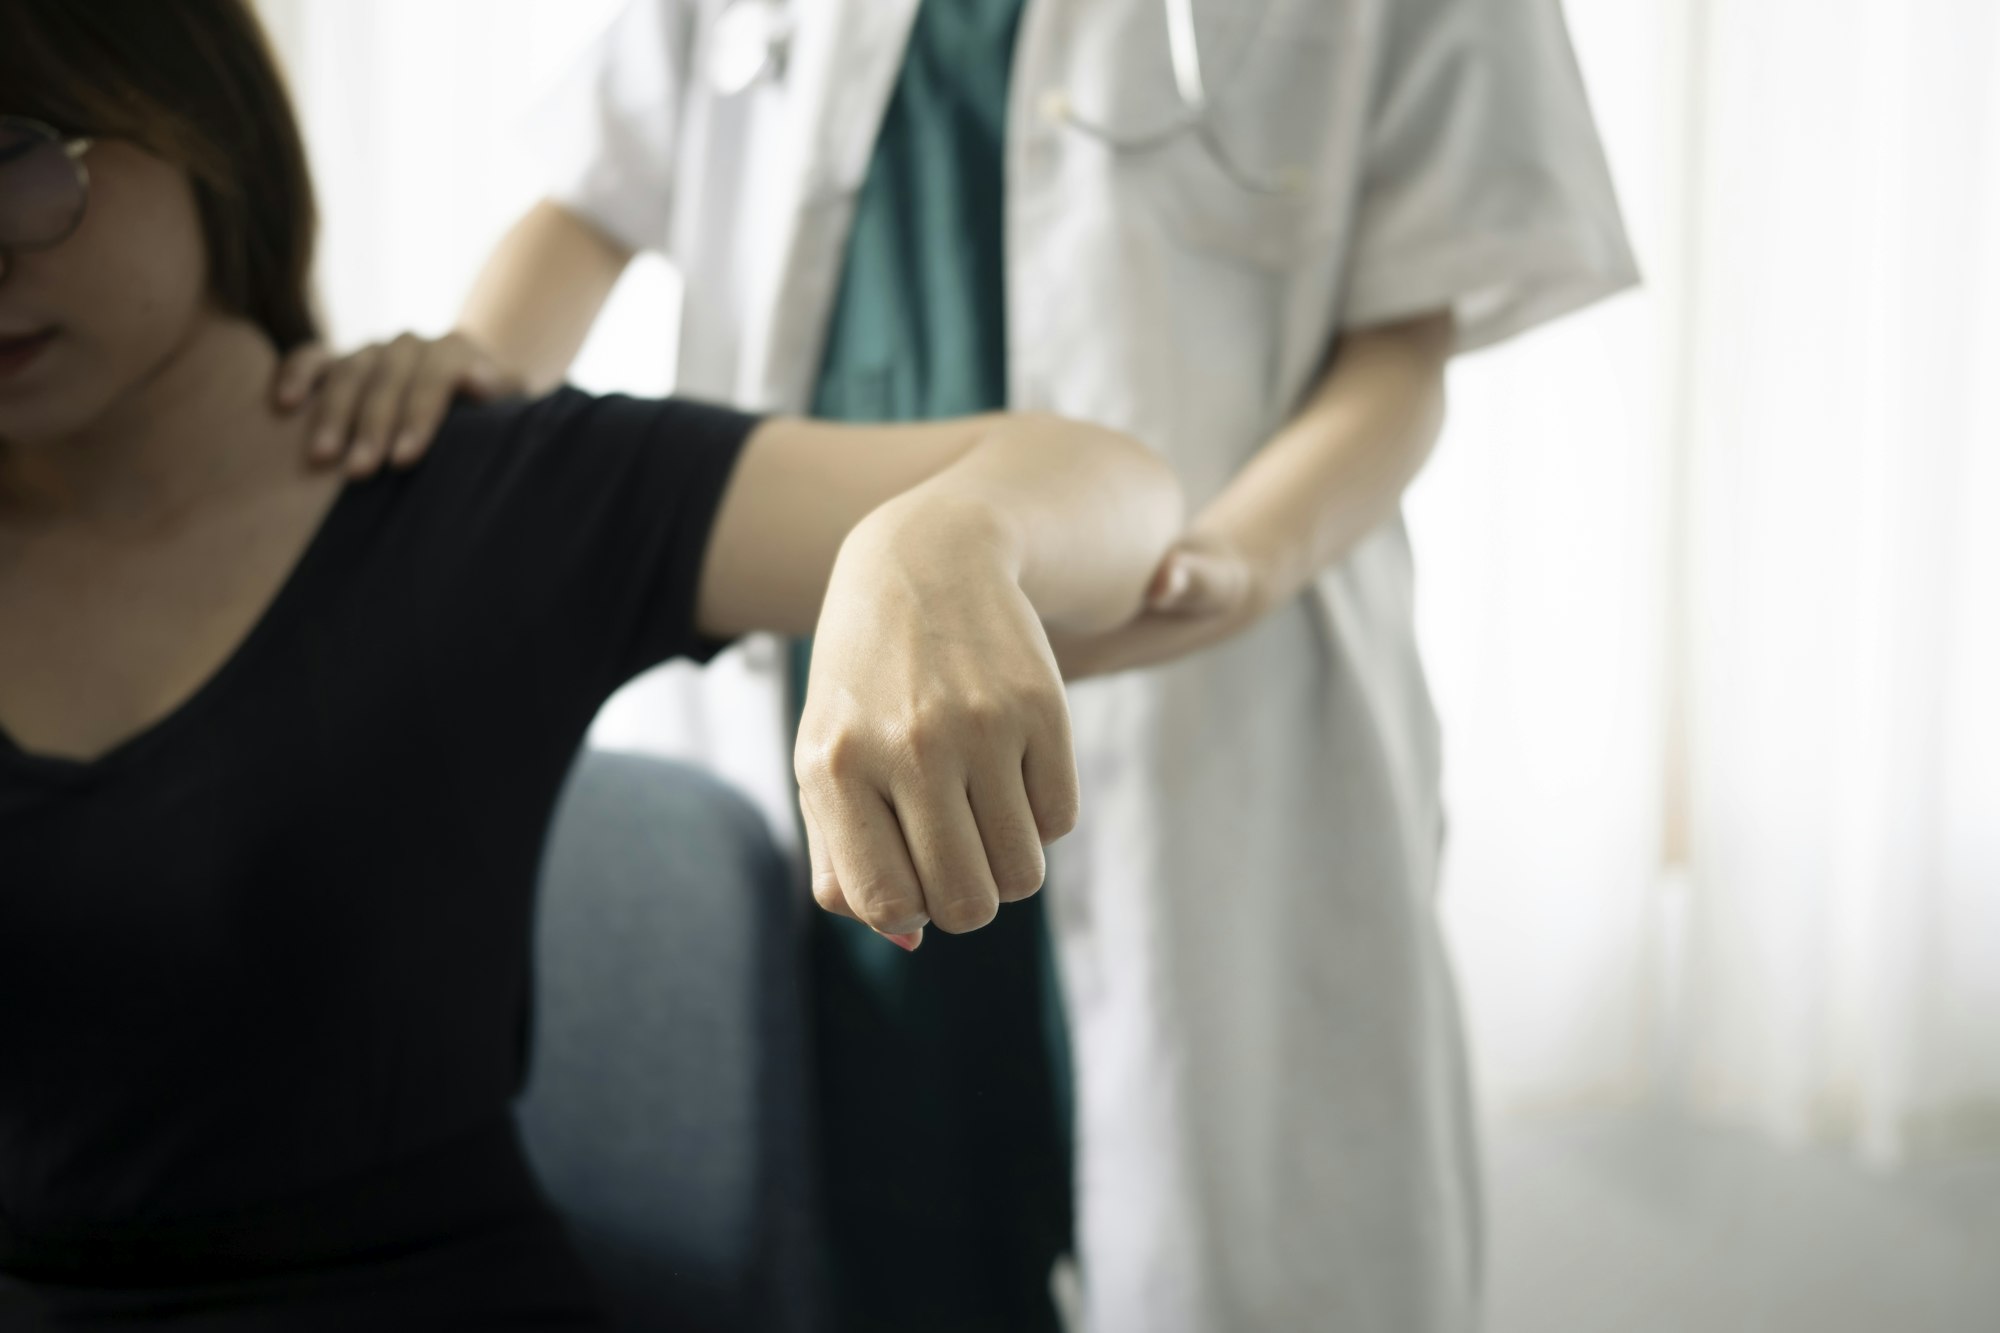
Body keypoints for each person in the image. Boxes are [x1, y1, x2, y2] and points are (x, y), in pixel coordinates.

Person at [284, 2, 1640, 1329]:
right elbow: (596, 186)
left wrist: (1241, 561)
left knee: (1224, 1231)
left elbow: (1405, 337)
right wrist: (461, 405)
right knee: (884, 1231)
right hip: (831, 729)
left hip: (1208, 711)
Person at [0, 2, 1192, 1328]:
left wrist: (942, 542)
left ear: (198, 122)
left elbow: (1118, 489)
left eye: (21, 156)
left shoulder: (464, 498)